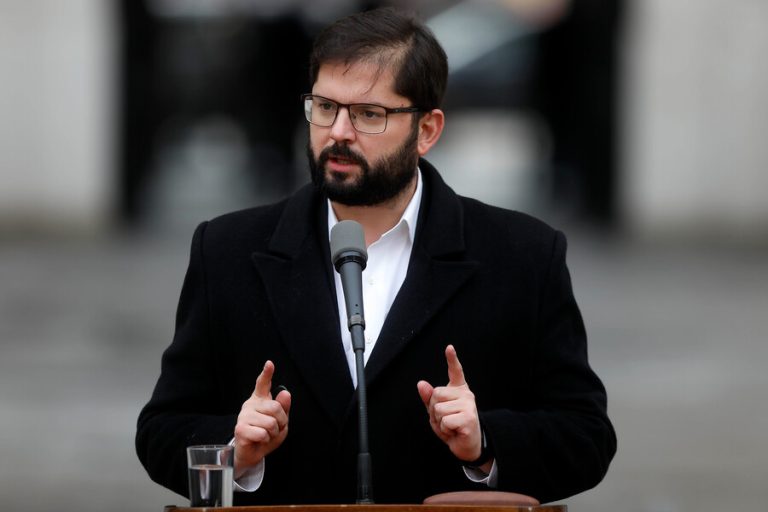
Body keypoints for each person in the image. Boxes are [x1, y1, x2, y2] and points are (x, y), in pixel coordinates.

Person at [136, 7, 616, 505]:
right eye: (325, 107)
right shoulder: (227, 250)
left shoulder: (522, 255)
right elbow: (161, 430)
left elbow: (586, 437)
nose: (338, 131)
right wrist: (236, 451)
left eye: (369, 114)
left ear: (427, 130)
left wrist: (485, 444)